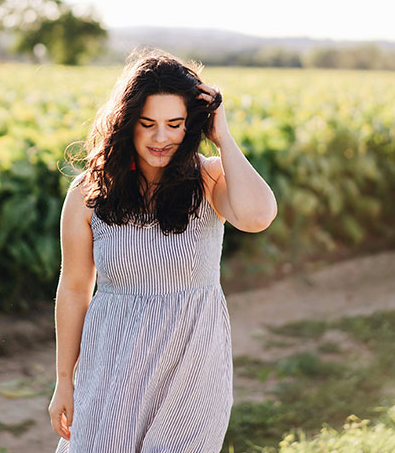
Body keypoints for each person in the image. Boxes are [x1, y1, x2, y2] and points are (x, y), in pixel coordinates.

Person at [48, 47, 278, 452]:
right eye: (148, 123)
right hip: (113, 362)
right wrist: (64, 380)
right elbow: (74, 288)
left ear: (192, 126)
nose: (161, 137)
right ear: (127, 123)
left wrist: (222, 136)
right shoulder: (89, 191)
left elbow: (258, 216)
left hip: (193, 367)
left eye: (175, 124)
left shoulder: (209, 178)